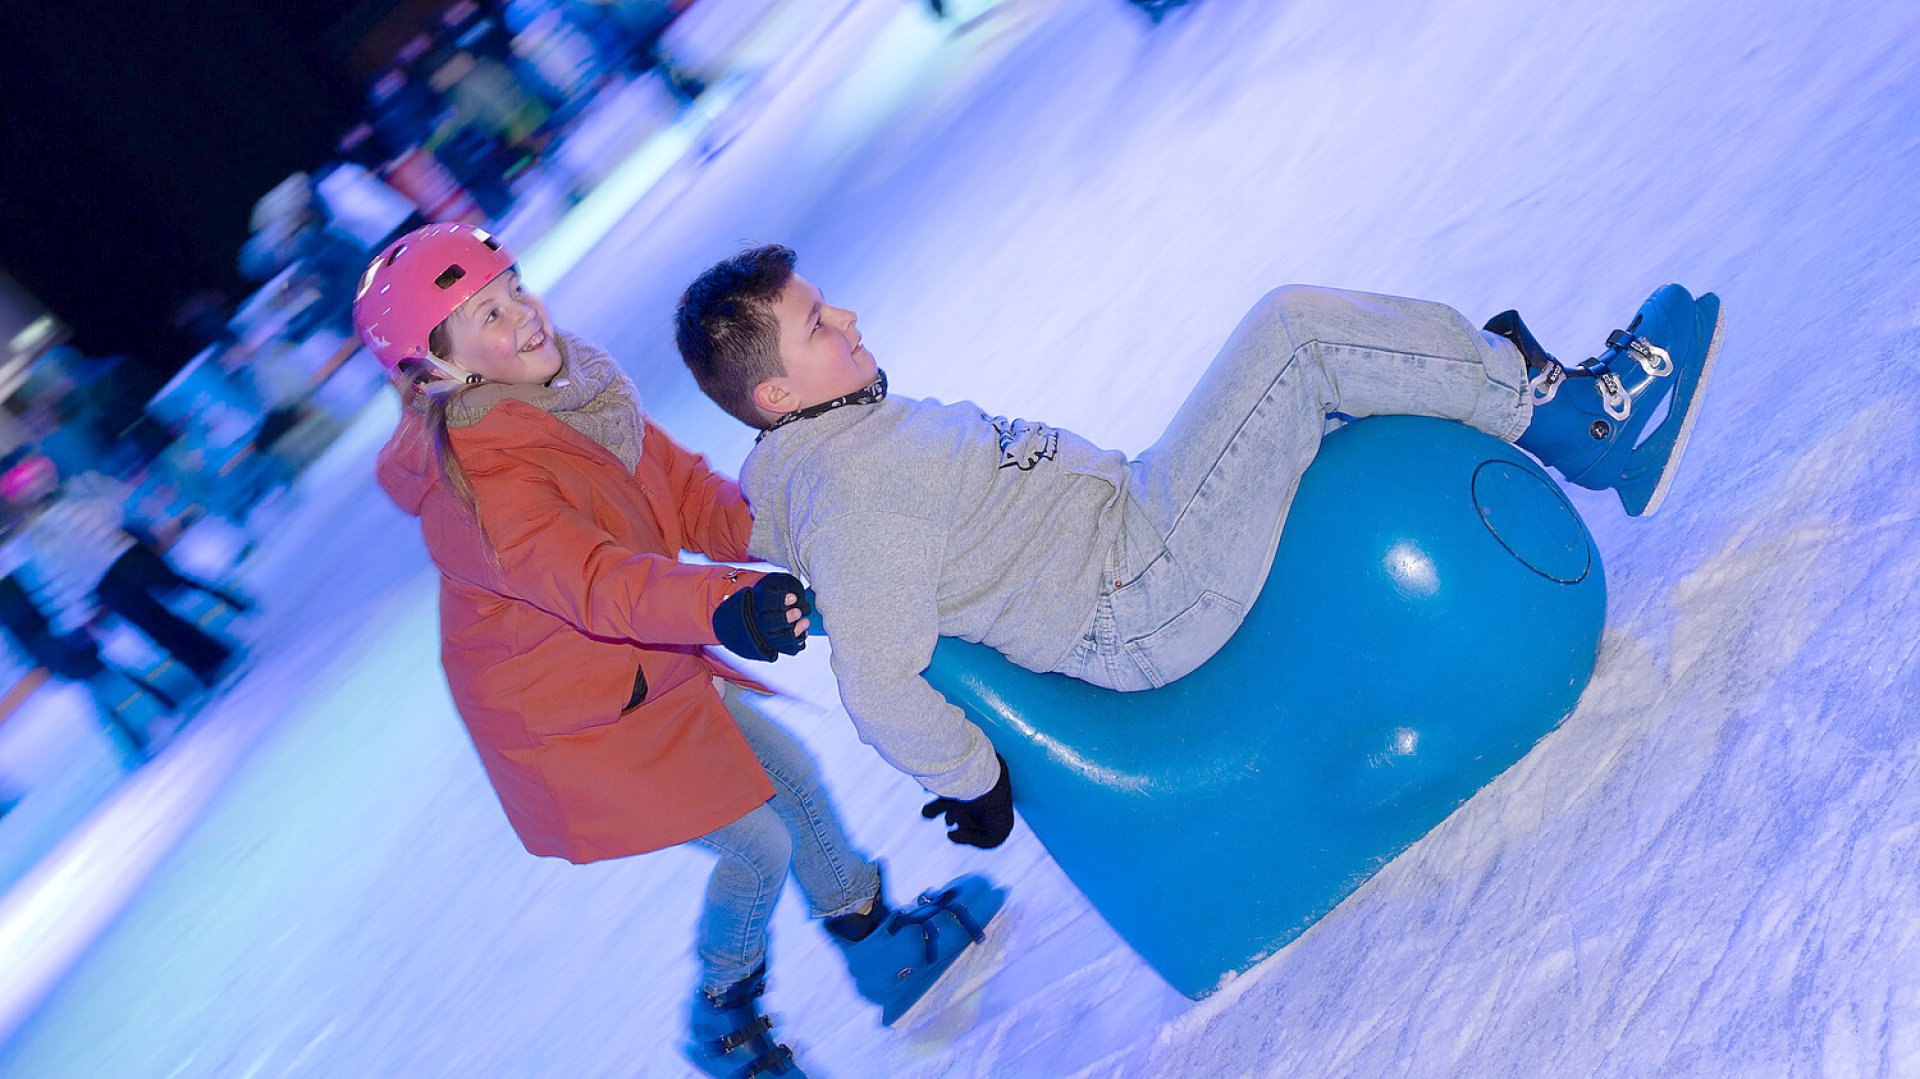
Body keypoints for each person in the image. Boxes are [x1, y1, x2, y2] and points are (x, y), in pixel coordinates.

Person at [674, 244, 1722, 851]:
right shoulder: (855, 490)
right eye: (818, 322)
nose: (848, 314)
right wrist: (971, 780)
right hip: (1145, 590)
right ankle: (1586, 421)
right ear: (778, 394)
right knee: (1298, 336)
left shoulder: (842, 444)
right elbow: (875, 679)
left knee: (1308, 369)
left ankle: (1513, 385)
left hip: (1138, 528)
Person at [355, 224, 1003, 1078]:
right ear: (437, 370)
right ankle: (723, 1023)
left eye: (514, 287)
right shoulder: (479, 485)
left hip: (637, 662)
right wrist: (724, 603)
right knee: (756, 845)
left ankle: (879, 946)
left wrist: (797, 521)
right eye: (489, 314)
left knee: (792, 777)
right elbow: (598, 581)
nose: (524, 313)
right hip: (576, 720)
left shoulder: (577, 390)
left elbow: (685, 490)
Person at [0, 449, 249, 697]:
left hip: (106, 581)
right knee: (173, 592)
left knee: (157, 623)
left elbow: (59, 579)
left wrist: (75, 619)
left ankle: (208, 660)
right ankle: (224, 625)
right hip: (125, 557)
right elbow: (113, 512)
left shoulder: (40, 535)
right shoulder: (73, 501)